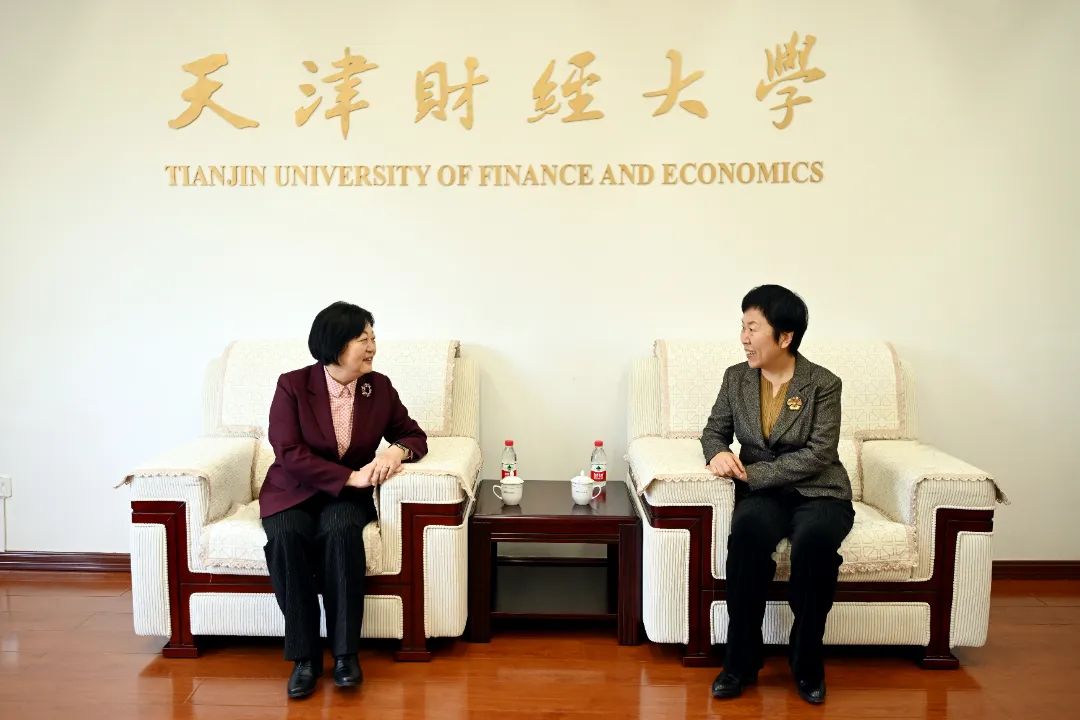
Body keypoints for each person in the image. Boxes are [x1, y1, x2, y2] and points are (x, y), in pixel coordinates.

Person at [259, 301, 427, 699]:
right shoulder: (293, 385)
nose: (372, 347)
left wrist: (394, 452)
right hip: (293, 488)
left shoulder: (378, 387)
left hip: (346, 498)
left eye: (373, 338)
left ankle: (346, 654)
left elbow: (413, 435)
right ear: (335, 344)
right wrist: (349, 476)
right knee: (287, 536)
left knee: (341, 533)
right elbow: (288, 451)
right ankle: (304, 658)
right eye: (362, 339)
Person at [701, 285, 854, 705]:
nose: (744, 338)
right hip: (764, 496)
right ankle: (739, 663)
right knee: (746, 535)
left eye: (753, 328)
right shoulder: (736, 378)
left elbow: (820, 453)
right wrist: (717, 452)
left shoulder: (823, 383)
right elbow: (714, 431)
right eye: (743, 327)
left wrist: (751, 473)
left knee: (815, 544)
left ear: (785, 336)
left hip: (820, 492)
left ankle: (807, 665)